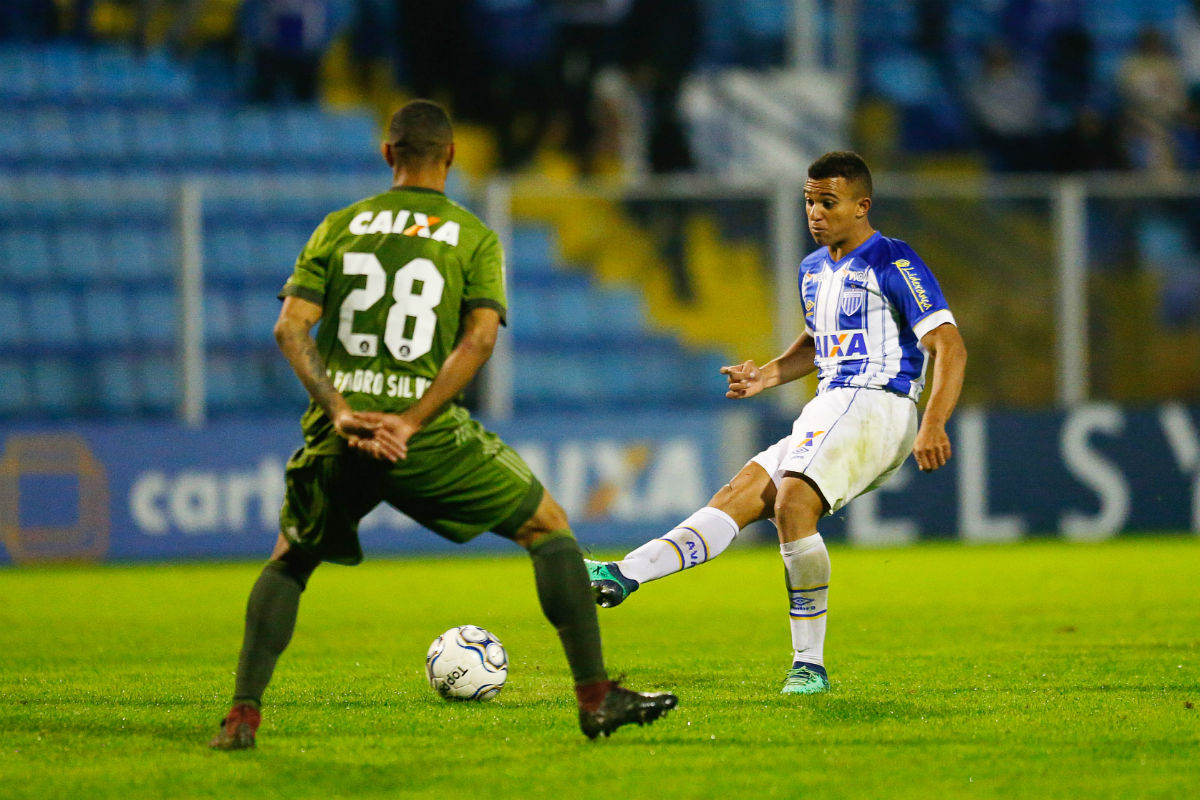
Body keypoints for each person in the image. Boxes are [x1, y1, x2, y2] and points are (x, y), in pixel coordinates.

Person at [209, 100, 678, 749]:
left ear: (387, 154)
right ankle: (596, 699)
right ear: (451, 156)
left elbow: (290, 328)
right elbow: (479, 340)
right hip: (423, 438)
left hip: (341, 432)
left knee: (290, 560)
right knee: (548, 527)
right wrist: (409, 421)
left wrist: (340, 410)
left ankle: (242, 717)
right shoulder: (471, 234)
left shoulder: (340, 226)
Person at [587, 151, 967, 696]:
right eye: (809, 201)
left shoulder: (894, 260)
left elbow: (948, 345)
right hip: (835, 405)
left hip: (878, 403)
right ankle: (626, 573)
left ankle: (809, 665)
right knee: (741, 495)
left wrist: (934, 422)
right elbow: (817, 342)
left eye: (828, 202)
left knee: (793, 502)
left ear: (862, 206)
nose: (815, 213)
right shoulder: (812, 270)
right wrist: (765, 376)